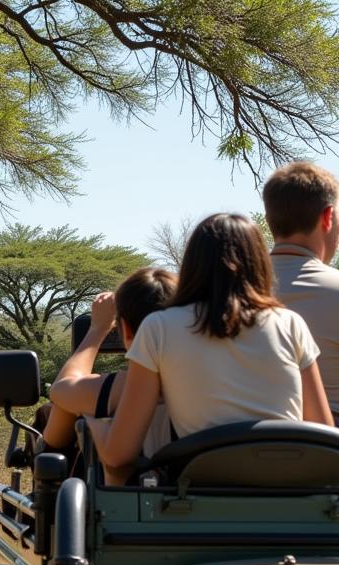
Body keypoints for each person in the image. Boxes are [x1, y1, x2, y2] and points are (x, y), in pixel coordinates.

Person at [90, 213, 332, 481]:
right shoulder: (290, 323)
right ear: (259, 264)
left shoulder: (159, 327)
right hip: (289, 490)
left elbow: (119, 455)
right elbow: (322, 431)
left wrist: (90, 426)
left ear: (193, 264)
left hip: (199, 497)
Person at [42, 267, 176, 453]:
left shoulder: (119, 388)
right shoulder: (211, 382)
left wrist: (97, 330)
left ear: (126, 331)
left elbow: (60, 392)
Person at [263, 161, 339, 417]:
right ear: (328, 217)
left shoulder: (227, 292)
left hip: (238, 447)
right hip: (329, 447)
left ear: (269, 219)